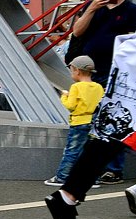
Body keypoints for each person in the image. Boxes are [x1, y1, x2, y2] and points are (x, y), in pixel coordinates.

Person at [68, 0, 136, 184]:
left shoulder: (132, 11)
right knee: (88, 120)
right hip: (91, 72)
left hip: (116, 73)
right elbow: (77, 32)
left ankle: (114, 170)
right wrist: (91, 8)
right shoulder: (93, 7)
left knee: (113, 120)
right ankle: (86, 170)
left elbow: (135, 40)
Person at [44, 55, 104, 187]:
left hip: (79, 122)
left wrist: (64, 96)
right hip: (94, 123)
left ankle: (62, 177)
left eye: (71, 70)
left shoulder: (76, 87)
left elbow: (70, 106)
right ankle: (93, 179)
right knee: (90, 153)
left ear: (77, 70)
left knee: (71, 151)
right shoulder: (98, 87)